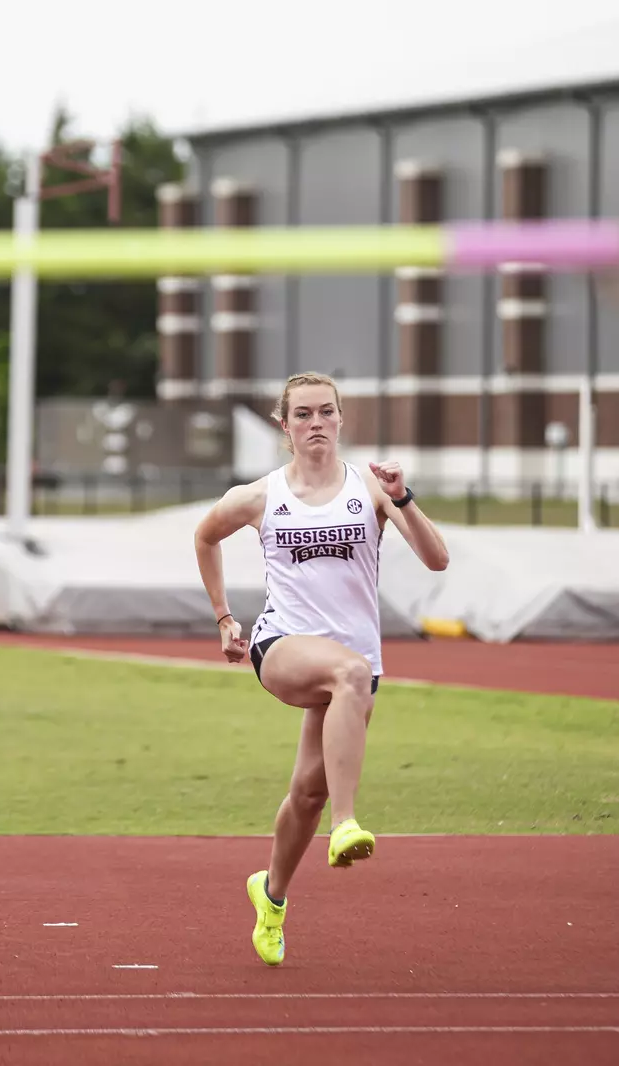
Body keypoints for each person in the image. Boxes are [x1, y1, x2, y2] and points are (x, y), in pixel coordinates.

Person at [192, 371, 450, 967]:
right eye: (302, 414)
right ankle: (347, 824)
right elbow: (205, 537)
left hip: (354, 658)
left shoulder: (371, 488)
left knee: (306, 791)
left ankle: (272, 895)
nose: (316, 423)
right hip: (284, 645)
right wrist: (225, 618)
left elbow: (437, 560)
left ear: (340, 419)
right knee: (349, 676)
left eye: (325, 412)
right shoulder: (260, 496)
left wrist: (404, 497)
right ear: (284, 426)